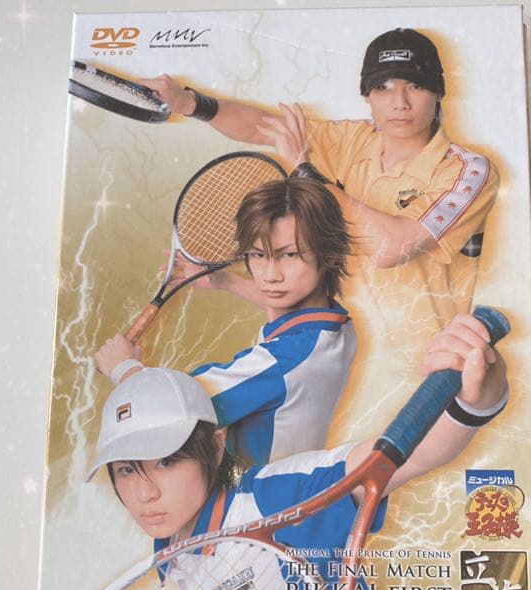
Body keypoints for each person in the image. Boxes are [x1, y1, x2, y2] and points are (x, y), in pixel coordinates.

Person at [86, 313, 509, 590]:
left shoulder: (276, 499)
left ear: (215, 448)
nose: (145, 493)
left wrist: (476, 401)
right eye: (126, 470)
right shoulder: (171, 534)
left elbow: (408, 457)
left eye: (166, 462)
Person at [141, 28, 500, 438]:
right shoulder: (352, 141)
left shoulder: (467, 171)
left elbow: (392, 247)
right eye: (383, 87)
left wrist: (306, 171)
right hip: (331, 380)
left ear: (438, 92)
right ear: (367, 96)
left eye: (415, 85)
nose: (399, 102)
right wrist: (188, 102)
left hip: (417, 385)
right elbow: (262, 128)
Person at [95, 176, 356, 465]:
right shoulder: (338, 327)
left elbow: (170, 409)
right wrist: (224, 280)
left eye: (289, 255)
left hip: (250, 491)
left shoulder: (284, 361)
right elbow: (286, 308)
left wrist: (125, 368)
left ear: (328, 252)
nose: (270, 275)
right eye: (258, 254)